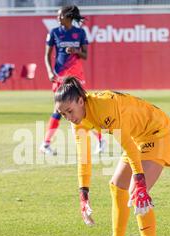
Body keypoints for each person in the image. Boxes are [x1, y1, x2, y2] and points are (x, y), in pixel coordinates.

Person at [55, 76, 170, 236]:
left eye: (69, 111)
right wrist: (83, 193)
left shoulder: (104, 109)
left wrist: (140, 182)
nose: (68, 117)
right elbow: (83, 157)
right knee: (117, 184)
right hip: (139, 136)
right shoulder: (78, 121)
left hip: (158, 133)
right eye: (62, 114)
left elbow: (128, 146)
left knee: (137, 194)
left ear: (80, 100)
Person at [40, 5, 105, 156]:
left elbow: (85, 55)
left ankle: (101, 139)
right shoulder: (54, 33)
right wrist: (50, 71)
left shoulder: (80, 33)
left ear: (68, 17)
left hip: (76, 78)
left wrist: (75, 51)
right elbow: (47, 55)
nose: (58, 18)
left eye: (60, 16)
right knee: (58, 109)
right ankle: (46, 144)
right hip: (60, 77)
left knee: (83, 110)